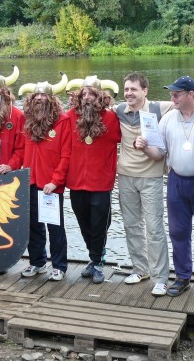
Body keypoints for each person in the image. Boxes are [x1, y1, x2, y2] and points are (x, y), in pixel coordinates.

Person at [114, 72, 194, 297]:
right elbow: (158, 154)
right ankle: (182, 278)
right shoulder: (167, 119)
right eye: (171, 94)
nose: (172, 97)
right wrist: (143, 146)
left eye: (177, 93)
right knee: (178, 232)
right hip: (176, 181)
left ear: (190, 95)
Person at [65, 76, 121, 284]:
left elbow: (132, 133)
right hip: (76, 181)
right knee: (84, 224)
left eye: (92, 94)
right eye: (84, 94)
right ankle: (93, 257)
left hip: (101, 182)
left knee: (100, 224)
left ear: (100, 97)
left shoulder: (111, 118)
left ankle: (97, 262)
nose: (87, 98)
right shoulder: (70, 116)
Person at [18, 74, 71, 281]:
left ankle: (59, 266)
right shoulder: (28, 121)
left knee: (55, 227)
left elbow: (66, 155)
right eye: (36, 95)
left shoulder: (63, 122)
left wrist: (55, 181)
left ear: (51, 99)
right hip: (30, 181)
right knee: (33, 225)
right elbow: (21, 152)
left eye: (43, 95)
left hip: (51, 185)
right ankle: (37, 262)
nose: (39, 98)